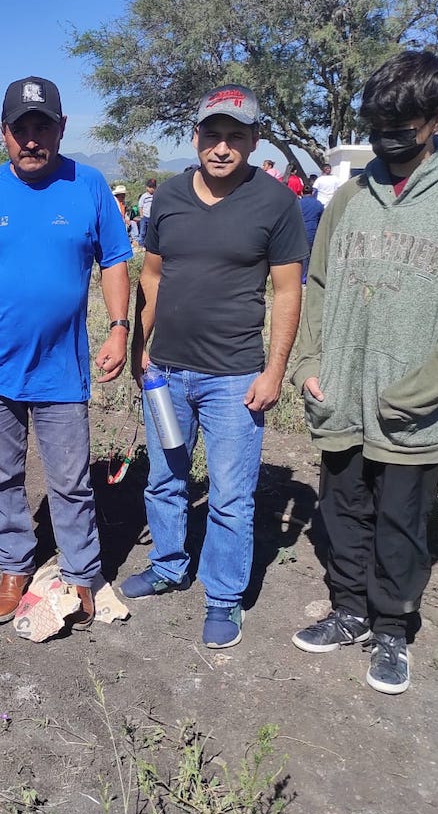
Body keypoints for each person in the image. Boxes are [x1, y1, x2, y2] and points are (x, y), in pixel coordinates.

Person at [289, 50, 438, 695]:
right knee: (344, 508)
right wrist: (309, 362)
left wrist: (423, 387)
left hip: (415, 405)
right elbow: (318, 283)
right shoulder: (351, 195)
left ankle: (392, 629)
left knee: (403, 522)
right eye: (379, 121)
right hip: (342, 392)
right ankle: (350, 611)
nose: (388, 134)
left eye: (403, 122)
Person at [0, 75, 132, 633]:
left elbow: (115, 260)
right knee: (1, 474)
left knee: (70, 479)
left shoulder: (88, 185)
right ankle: (14, 566)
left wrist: (118, 328)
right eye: (20, 128)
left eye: (41, 126)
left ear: (60, 128)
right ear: (4, 133)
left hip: (62, 368)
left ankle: (80, 570)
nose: (31, 138)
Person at [124, 83, 306, 649]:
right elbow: (151, 275)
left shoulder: (275, 203)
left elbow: (287, 290)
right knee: (165, 477)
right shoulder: (171, 196)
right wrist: (139, 345)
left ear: (253, 141)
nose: (222, 147)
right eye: (212, 134)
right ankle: (169, 564)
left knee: (230, 493)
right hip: (168, 373)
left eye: (235, 136)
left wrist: (274, 370)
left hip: (234, 376)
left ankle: (224, 596)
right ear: (196, 135)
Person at [298, 181, 324, 283]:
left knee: (301, 255)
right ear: (312, 192)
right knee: (311, 255)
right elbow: (322, 219)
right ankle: (308, 276)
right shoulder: (318, 204)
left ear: (302, 192)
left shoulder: (298, 203)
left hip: (300, 231)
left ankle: (302, 276)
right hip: (313, 230)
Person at [134, 178, 157, 248]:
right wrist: (141, 215)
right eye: (150, 187)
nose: (151, 189)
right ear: (147, 187)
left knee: (150, 232)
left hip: (152, 216)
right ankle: (141, 244)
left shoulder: (155, 195)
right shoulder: (144, 196)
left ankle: (149, 244)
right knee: (143, 231)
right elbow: (140, 206)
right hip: (145, 216)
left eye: (153, 187)